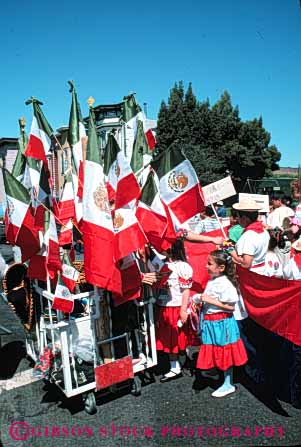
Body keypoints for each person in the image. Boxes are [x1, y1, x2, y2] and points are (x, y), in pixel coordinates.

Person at [195, 250, 248, 397]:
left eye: (209, 263)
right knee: (216, 349)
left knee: (225, 351)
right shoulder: (213, 280)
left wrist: (208, 300)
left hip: (222, 323)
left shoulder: (226, 284)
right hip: (212, 322)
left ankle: (228, 383)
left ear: (221, 268)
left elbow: (231, 307)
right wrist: (199, 300)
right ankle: (220, 373)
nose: (206, 266)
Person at [155, 239, 193, 382]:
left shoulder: (183, 266)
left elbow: (186, 290)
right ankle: (176, 365)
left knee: (178, 337)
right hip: (163, 306)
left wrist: (183, 310)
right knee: (169, 339)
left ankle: (178, 365)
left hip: (176, 307)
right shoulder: (160, 263)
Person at [230, 198, 270, 275]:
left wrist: (231, 252)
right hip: (262, 271)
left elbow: (246, 264)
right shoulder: (264, 231)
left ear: (244, 218)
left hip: (251, 275)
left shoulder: (249, 236)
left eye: (238, 216)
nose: (237, 219)